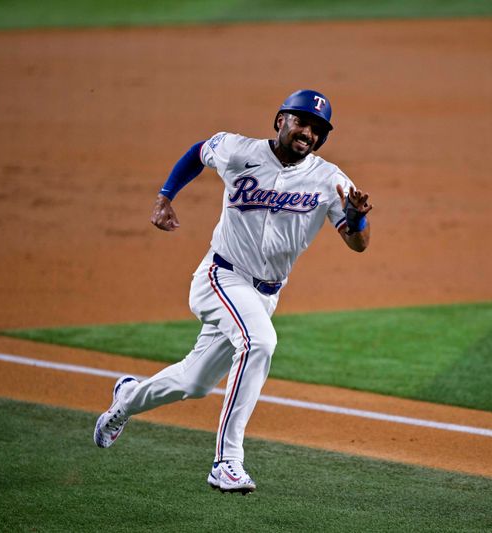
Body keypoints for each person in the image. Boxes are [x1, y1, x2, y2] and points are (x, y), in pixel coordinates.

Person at [93, 89, 373, 494]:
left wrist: (357, 219)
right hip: (221, 278)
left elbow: (358, 243)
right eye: (300, 122)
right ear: (280, 120)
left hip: (265, 296)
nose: (307, 133)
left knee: (195, 383)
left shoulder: (330, 180)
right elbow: (197, 152)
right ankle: (227, 461)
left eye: (317, 129)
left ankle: (127, 399)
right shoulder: (237, 150)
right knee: (259, 342)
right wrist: (165, 197)